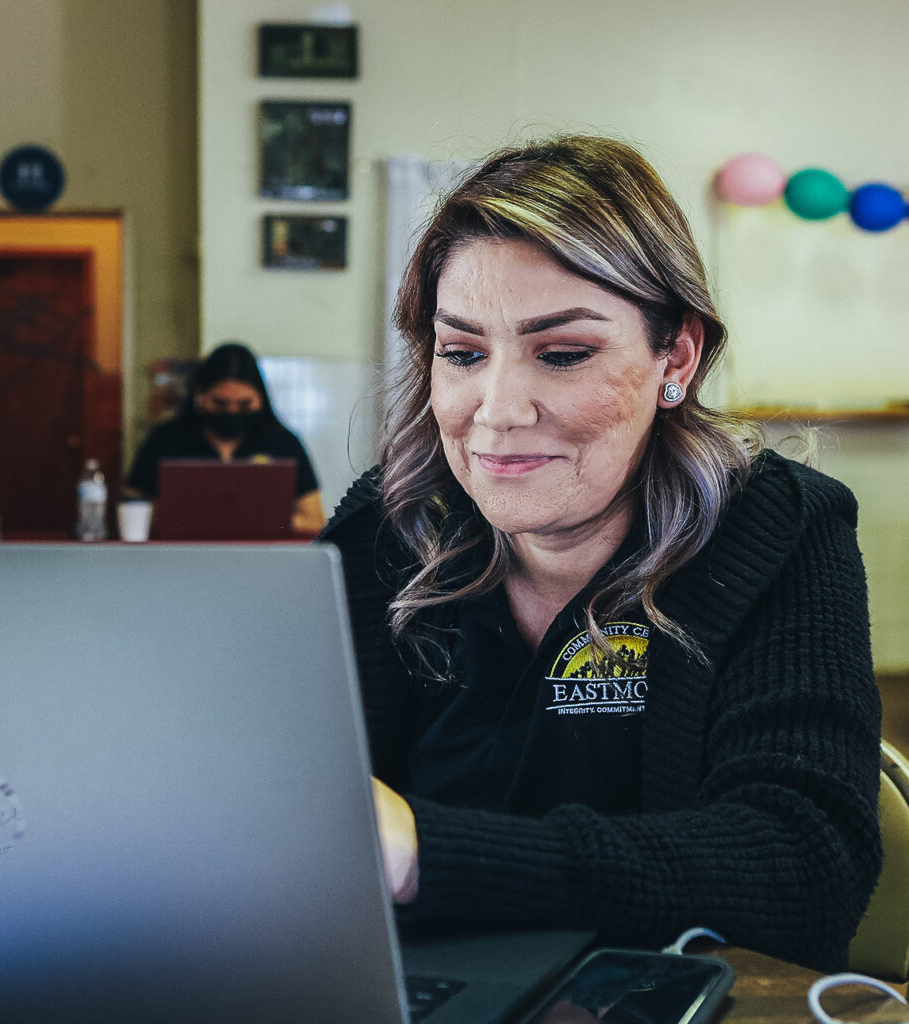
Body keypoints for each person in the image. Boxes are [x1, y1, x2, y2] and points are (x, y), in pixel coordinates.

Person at [320, 135, 881, 973]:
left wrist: (428, 853)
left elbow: (805, 866)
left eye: (564, 353)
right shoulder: (389, 530)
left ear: (676, 356)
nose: (498, 410)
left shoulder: (778, 531)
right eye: (463, 354)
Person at [126, 342, 325, 534]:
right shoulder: (165, 440)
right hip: (183, 557)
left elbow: (315, 520)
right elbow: (131, 509)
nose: (232, 412)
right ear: (200, 395)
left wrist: (266, 520)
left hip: (261, 560)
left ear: (261, 399)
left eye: (244, 405)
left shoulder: (283, 444)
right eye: (220, 404)